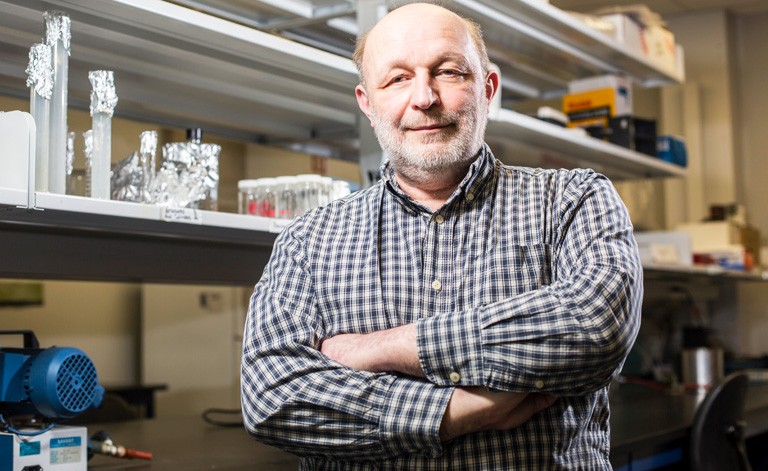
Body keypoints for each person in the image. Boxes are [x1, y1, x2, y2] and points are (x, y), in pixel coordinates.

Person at [241, 2, 642, 469]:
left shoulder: (573, 199)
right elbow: (271, 396)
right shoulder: (309, 240)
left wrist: (382, 348)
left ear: (488, 89)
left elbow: (596, 327)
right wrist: (453, 413)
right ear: (367, 104)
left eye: (448, 72)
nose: (424, 97)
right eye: (397, 79)